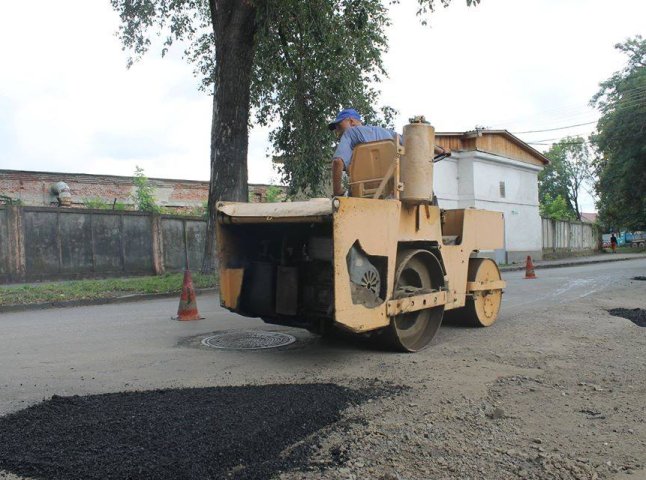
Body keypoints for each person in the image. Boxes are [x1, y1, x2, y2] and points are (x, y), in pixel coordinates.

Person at [329, 109, 399, 196]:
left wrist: (337, 192)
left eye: (339, 126)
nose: (337, 132)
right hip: (393, 193)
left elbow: (338, 162)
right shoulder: (390, 133)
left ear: (351, 121)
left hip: (362, 195)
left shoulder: (350, 133)